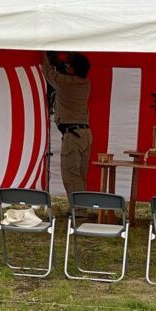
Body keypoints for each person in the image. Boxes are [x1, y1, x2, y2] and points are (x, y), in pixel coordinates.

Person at [42, 51, 92, 201]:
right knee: (80, 174)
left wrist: (43, 52)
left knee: (70, 174)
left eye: (69, 64)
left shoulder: (65, 82)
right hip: (85, 133)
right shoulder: (85, 84)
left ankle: (78, 211)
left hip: (73, 135)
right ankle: (83, 206)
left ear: (72, 69)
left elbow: (47, 71)